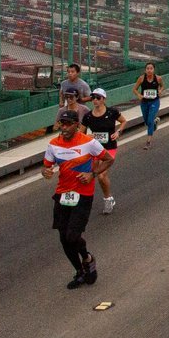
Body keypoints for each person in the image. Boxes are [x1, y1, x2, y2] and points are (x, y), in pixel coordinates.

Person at [41, 109, 109, 288]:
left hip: (83, 194)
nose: (63, 128)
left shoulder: (89, 143)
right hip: (63, 194)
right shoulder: (53, 144)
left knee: (72, 236)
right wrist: (46, 172)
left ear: (76, 126)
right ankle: (79, 271)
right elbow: (46, 166)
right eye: (61, 124)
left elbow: (108, 159)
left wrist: (92, 174)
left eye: (67, 124)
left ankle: (87, 258)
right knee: (63, 237)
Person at [82, 88, 125, 212]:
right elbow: (81, 133)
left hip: (109, 147)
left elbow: (123, 121)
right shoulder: (88, 116)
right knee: (89, 174)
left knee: (101, 175)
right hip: (94, 148)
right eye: (93, 98)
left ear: (104, 99)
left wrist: (118, 132)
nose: (95, 100)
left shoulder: (112, 112)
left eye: (98, 97)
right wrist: (87, 137)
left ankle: (108, 199)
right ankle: (83, 200)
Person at [130, 63, 163, 148]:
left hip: (154, 102)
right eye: (147, 68)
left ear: (154, 70)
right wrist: (139, 95)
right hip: (144, 102)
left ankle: (148, 141)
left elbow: (162, 86)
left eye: (151, 68)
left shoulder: (158, 78)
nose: (149, 70)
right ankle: (154, 123)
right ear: (145, 70)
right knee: (147, 121)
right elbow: (134, 89)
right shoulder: (141, 78)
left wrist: (160, 91)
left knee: (150, 120)